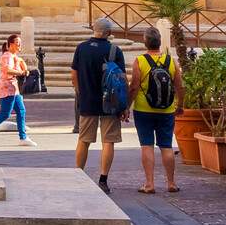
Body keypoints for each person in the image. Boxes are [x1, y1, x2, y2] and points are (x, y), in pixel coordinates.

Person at [71, 15, 127, 191]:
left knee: (84, 140)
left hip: (87, 101)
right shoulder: (114, 50)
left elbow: (74, 75)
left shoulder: (81, 48)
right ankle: (103, 179)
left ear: (93, 30)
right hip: (110, 102)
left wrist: (81, 93)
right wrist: (124, 105)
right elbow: (122, 79)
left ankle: (78, 175)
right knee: (108, 141)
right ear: (108, 32)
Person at [128, 27, 179, 194]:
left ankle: (149, 184)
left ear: (145, 42)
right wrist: (181, 105)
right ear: (160, 43)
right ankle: (171, 183)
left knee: (147, 145)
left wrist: (127, 107)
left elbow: (134, 86)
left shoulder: (140, 61)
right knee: (166, 146)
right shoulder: (171, 61)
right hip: (167, 109)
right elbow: (180, 85)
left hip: (144, 109)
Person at [0, 33, 36, 145]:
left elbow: (23, 66)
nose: (20, 46)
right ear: (10, 44)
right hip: (7, 88)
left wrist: (23, 68)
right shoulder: (7, 56)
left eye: (20, 43)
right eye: (17, 43)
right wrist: (20, 72)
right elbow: (7, 70)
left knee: (21, 111)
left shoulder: (14, 57)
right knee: (5, 114)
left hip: (14, 89)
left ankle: (23, 138)